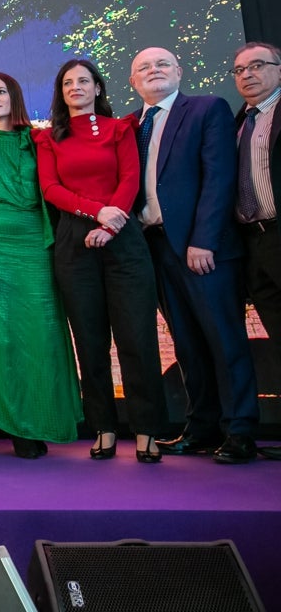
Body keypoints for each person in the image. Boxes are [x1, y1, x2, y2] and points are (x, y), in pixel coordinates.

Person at [128, 47, 259, 464]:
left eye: (162, 64)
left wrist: (204, 240)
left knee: (224, 340)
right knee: (185, 344)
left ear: (179, 71)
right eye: (144, 68)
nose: (154, 71)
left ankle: (239, 430)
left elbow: (220, 177)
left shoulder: (207, 109)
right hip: (156, 247)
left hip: (203, 250)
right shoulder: (130, 126)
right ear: (132, 82)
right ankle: (201, 427)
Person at [38, 59, 167, 463]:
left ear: (97, 88)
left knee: (137, 337)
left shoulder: (119, 129)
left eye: (83, 81)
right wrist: (96, 213)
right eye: (67, 83)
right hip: (75, 242)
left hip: (123, 235)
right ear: (61, 93)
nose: (75, 87)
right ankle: (104, 428)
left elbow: (130, 178)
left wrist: (110, 224)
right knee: (90, 343)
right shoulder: (48, 139)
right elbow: (51, 188)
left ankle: (147, 429)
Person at [0, 74, 82, 458]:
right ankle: (19, 429)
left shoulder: (40, 140)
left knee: (43, 336)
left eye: (0, 91)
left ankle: (47, 420)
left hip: (39, 248)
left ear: (16, 96)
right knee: (1, 340)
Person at [231, 42, 281, 462]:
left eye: (258, 65)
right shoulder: (239, 123)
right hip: (255, 243)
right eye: (239, 69)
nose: (247, 74)